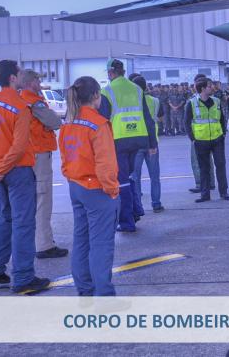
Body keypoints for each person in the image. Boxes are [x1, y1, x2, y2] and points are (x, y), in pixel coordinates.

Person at [0, 59, 50, 292]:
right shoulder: (20, 106)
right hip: (18, 171)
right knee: (24, 223)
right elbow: (18, 148)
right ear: (13, 78)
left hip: (0, 174)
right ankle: (24, 277)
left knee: (6, 218)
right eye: (18, 73)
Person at [60, 76, 120, 296]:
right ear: (96, 96)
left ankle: (85, 289)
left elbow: (65, 156)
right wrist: (112, 190)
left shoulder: (69, 122)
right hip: (97, 189)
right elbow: (106, 163)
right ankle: (104, 296)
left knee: (82, 241)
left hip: (76, 186)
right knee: (101, 245)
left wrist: (71, 178)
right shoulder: (98, 124)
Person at [99, 58, 157, 233]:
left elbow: (102, 121)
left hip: (119, 141)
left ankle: (127, 222)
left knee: (121, 181)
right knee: (131, 176)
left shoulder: (107, 91)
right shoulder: (137, 89)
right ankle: (136, 210)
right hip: (139, 138)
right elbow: (148, 118)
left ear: (110, 73)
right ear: (123, 71)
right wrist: (152, 143)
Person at [17, 69, 68, 259]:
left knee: (29, 202)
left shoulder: (20, 100)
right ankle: (44, 245)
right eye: (38, 80)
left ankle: (34, 242)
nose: (40, 83)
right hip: (39, 154)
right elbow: (55, 122)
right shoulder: (35, 102)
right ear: (32, 83)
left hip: (26, 155)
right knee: (43, 200)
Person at [185, 77, 229, 202]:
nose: (212, 88)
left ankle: (224, 192)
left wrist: (223, 134)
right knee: (203, 168)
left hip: (217, 139)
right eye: (210, 86)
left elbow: (221, 118)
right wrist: (192, 138)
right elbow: (187, 122)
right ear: (203, 88)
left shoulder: (216, 101)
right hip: (201, 140)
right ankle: (205, 195)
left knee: (220, 165)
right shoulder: (192, 103)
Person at [128, 74, 163, 214]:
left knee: (135, 177)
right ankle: (156, 203)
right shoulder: (155, 101)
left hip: (136, 142)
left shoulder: (130, 101)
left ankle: (138, 206)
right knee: (154, 176)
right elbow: (160, 118)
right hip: (152, 143)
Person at [186, 75, 215, 194]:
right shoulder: (212, 99)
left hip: (198, 135)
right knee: (209, 160)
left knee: (197, 161)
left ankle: (200, 184)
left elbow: (187, 120)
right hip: (211, 135)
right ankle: (211, 183)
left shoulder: (194, 100)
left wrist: (192, 137)